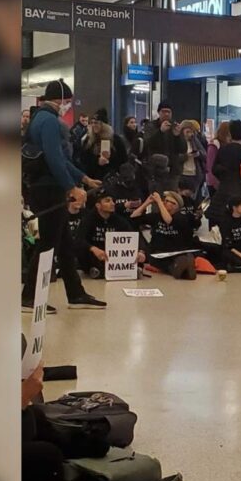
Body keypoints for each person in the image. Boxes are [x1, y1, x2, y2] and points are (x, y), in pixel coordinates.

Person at [21, 80, 106, 312]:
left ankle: (75, 293)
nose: (68, 106)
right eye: (67, 102)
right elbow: (55, 159)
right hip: (50, 188)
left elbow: (61, 159)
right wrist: (72, 187)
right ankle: (28, 296)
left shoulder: (40, 118)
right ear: (60, 99)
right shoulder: (48, 121)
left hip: (44, 186)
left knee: (65, 243)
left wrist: (85, 179)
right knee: (48, 244)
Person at [75, 191, 145, 279]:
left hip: (115, 256)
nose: (112, 203)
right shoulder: (88, 220)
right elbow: (79, 240)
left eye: (112, 201)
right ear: (98, 205)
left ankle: (133, 269)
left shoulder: (119, 220)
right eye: (107, 201)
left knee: (134, 256)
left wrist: (141, 251)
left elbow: (134, 236)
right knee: (85, 253)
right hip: (96, 254)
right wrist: (93, 248)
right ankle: (96, 270)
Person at [130, 190, 197, 279]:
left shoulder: (182, 218)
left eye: (172, 203)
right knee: (152, 258)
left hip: (174, 251)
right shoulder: (157, 216)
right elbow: (133, 217)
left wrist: (159, 202)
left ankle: (181, 268)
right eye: (166, 201)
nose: (167, 203)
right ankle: (182, 270)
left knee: (170, 261)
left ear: (177, 207)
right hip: (156, 250)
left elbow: (168, 220)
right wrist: (147, 202)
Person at [207, 120, 241, 229]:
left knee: (217, 216)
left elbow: (214, 169)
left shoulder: (223, 149)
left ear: (230, 133)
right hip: (240, 188)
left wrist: (223, 177)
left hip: (223, 188)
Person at [77, 108, 127, 182]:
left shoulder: (116, 140)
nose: (94, 125)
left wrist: (110, 159)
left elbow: (123, 160)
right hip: (93, 180)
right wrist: (97, 161)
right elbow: (83, 160)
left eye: (96, 123)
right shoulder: (88, 141)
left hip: (113, 181)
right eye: (92, 123)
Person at [144, 100, 187, 185]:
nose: (166, 114)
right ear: (159, 112)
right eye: (163, 111)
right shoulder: (151, 126)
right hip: (156, 170)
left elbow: (183, 149)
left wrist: (177, 136)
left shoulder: (175, 126)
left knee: (171, 196)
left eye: (169, 112)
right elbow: (148, 144)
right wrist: (160, 131)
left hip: (173, 171)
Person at [179, 119, 207, 197]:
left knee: (193, 199)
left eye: (191, 132)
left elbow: (205, 155)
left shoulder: (195, 141)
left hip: (195, 174)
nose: (190, 134)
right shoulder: (178, 143)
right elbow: (174, 158)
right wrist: (185, 156)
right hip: (182, 174)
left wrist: (198, 154)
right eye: (187, 132)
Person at [205, 121, 231, 197]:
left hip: (223, 182)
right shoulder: (214, 144)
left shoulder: (227, 144)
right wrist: (214, 182)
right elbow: (209, 165)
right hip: (215, 182)